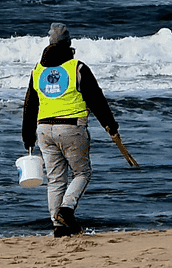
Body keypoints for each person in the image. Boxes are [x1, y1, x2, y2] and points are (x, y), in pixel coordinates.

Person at [22, 23, 119, 237]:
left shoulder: (37, 71)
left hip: (43, 129)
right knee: (82, 173)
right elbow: (96, 99)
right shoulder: (77, 68)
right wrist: (110, 126)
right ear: (69, 44)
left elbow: (30, 106)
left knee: (56, 179)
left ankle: (58, 226)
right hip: (71, 128)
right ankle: (66, 210)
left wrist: (28, 137)